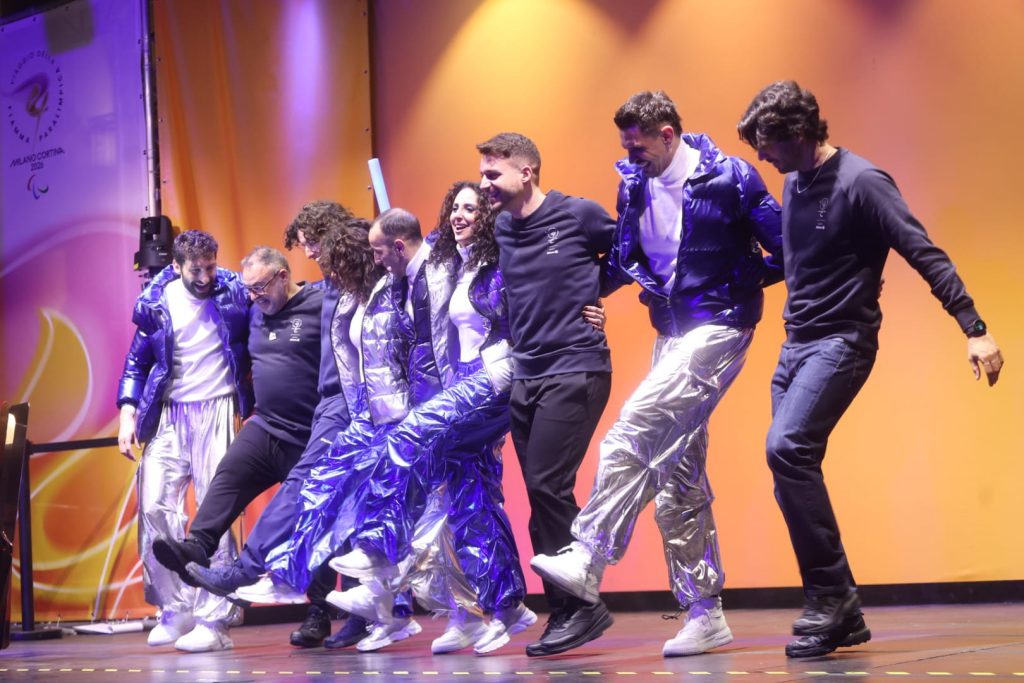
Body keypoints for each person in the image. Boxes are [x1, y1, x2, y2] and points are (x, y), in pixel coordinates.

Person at [736, 80, 1005, 658]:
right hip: (795, 346)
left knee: (787, 448)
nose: (761, 155)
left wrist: (975, 328)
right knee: (788, 473)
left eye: (767, 143)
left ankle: (831, 600)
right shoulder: (794, 180)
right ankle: (841, 611)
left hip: (842, 343)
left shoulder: (862, 182)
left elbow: (922, 251)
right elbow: (798, 262)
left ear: (799, 133)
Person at [530, 90, 784, 657]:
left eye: (637, 146)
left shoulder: (730, 178)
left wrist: (741, 283)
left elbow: (786, 246)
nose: (630, 156)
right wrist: (585, 295)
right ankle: (704, 612)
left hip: (720, 326)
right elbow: (626, 259)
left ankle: (589, 552)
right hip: (670, 333)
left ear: (667, 134)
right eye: (626, 146)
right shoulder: (635, 185)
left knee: (636, 424)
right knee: (678, 479)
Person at [327, 182, 537, 655]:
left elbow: (522, 308)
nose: (460, 215)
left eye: (471, 208)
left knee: (415, 454)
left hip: (487, 380)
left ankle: (383, 564)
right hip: (460, 384)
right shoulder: (456, 264)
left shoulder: (493, 264)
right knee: (469, 500)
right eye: (455, 207)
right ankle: (492, 609)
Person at [150, 231, 355, 649]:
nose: (254, 296)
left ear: (283, 276)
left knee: (312, 521)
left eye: (261, 286)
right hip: (268, 425)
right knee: (229, 471)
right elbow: (199, 280)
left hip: (311, 435)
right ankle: (197, 546)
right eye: (249, 289)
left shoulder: (319, 301)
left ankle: (318, 612)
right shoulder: (251, 306)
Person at [476, 132, 616, 657]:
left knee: (547, 483)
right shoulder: (503, 229)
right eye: (482, 174)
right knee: (540, 495)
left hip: (576, 367)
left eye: (493, 174)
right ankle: (566, 607)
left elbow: (628, 252)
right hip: (527, 374)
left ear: (526, 171)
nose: (485, 183)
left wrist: (597, 292)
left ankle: (583, 605)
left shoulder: (578, 214)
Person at [116, 229, 253, 652]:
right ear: (176, 266)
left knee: (216, 511)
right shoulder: (157, 302)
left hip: (217, 406)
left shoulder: (234, 291)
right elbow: (137, 362)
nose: (206, 277)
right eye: (196, 270)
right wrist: (127, 412)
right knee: (154, 505)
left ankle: (214, 619)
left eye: (211, 267)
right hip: (170, 413)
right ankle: (175, 609)